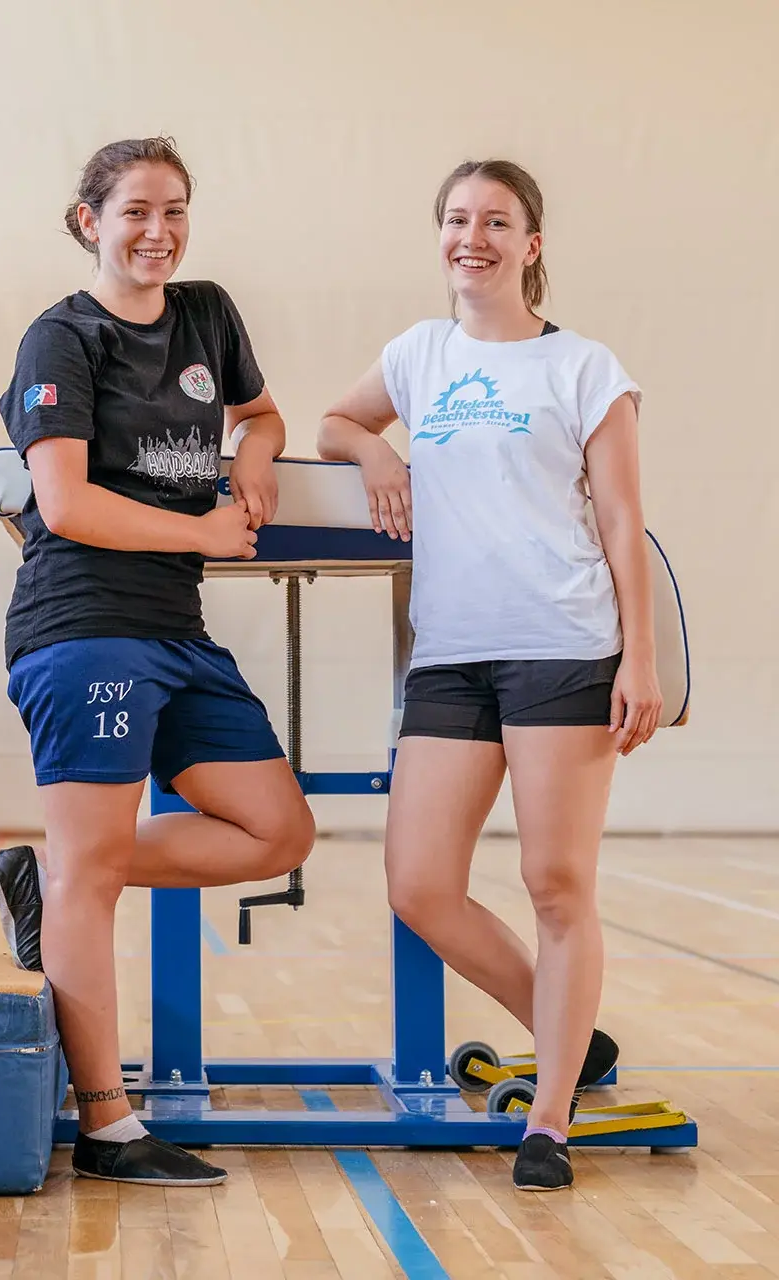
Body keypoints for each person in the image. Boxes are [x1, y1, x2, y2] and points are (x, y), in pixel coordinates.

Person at [316, 158, 661, 1192]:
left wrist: (639, 656)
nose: (473, 237)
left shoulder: (584, 368)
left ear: (530, 244)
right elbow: (335, 422)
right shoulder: (417, 354)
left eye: (496, 222)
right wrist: (376, 454)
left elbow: (620, 520)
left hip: (564, 644)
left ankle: (549, 1118)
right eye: (457, 219)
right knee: (419, 884)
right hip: (450, 656)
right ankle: (569, 1036)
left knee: (556, 883)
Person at [0, 136, 315, 1187]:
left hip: (176, 630)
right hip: (83, 623)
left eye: (174, 210)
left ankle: (58, 874)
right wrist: (203, 531)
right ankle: (108, 1125)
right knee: (92, 876)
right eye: (135, 210)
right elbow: (64, 503)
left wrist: (253, 454)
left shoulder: (207, 314)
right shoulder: (61, 338)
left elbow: (260, 412)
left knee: (278, 830)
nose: (157, 231)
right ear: (90, 221)